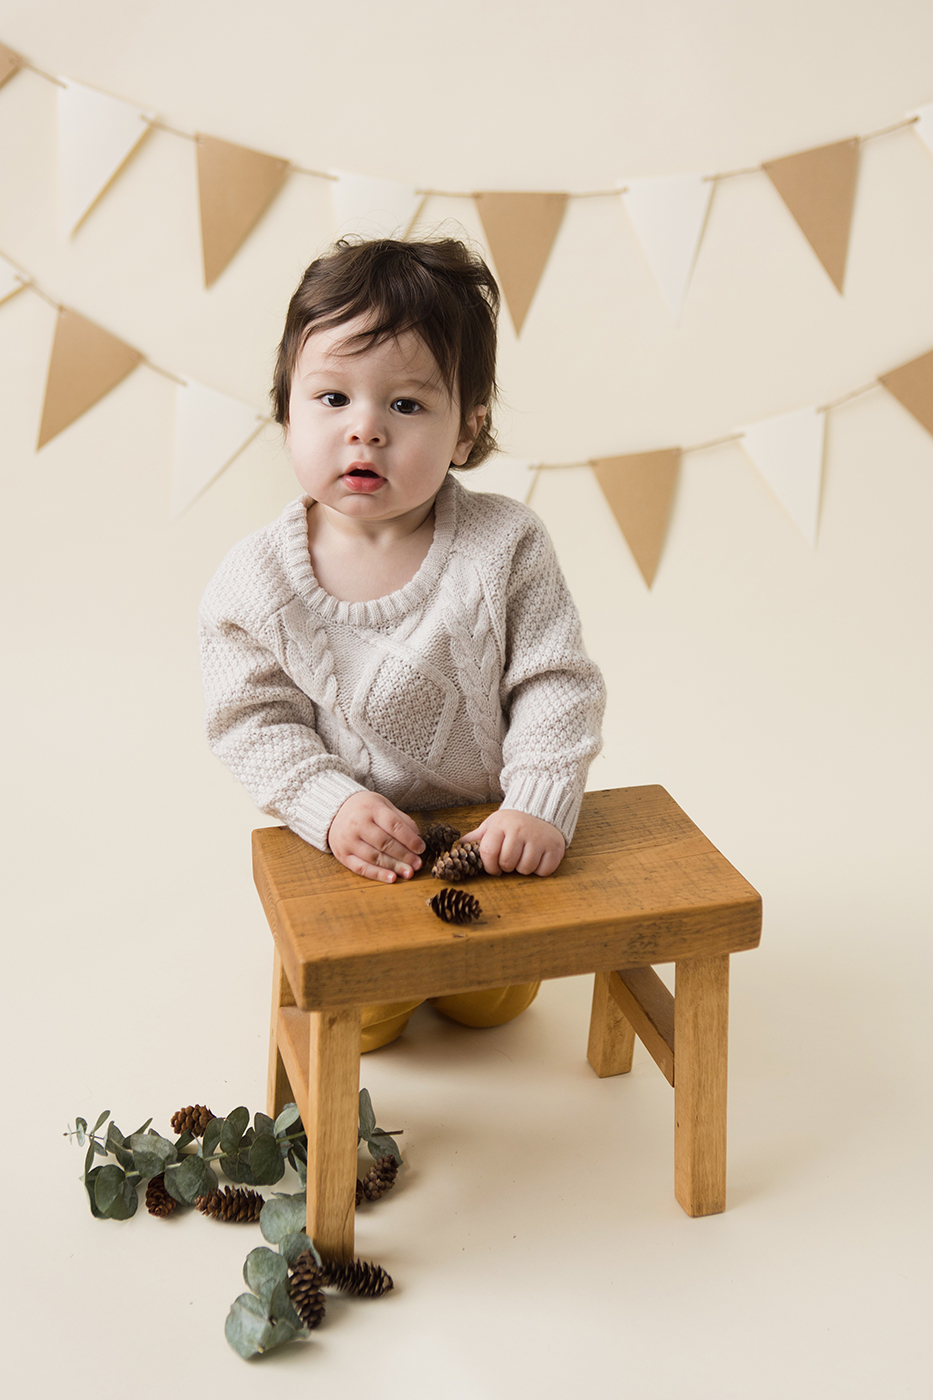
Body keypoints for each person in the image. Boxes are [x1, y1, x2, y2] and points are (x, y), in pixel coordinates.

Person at [199, 236, 605, 1050]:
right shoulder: (254, 581)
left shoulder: (505, 546)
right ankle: (378, 978)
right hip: (353, 851)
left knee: (492, 1007)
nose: (365, 432)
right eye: (331, 399)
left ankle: (471, 966)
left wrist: (537, 801)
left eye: (406, 406)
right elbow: (251, 721)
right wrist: (330, 804)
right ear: (285, 409)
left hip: (484, 841)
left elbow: (555, 682)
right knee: (368, 1024)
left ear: (467, 429)